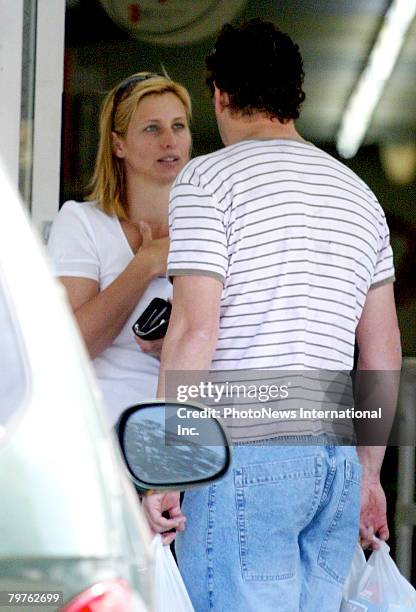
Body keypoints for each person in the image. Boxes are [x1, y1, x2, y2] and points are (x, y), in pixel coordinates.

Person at [141, 20, 402, 612]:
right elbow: (382, 351)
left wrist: (167, 466)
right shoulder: (360, 195)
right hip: (332, 459)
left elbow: (192, 330)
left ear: (219, 94)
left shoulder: (207, 180)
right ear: (296, 95)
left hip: (243, 451)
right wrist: (368, 472)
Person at [48, 72, 192, 425]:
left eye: (178, 126)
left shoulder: (209, 229)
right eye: (152, 129)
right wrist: (144, 266)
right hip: (102, 436)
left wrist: (175, 344)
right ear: (118, 145)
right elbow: (70, 348)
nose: (169, 141)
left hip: (187, 441)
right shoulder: (82, 222)